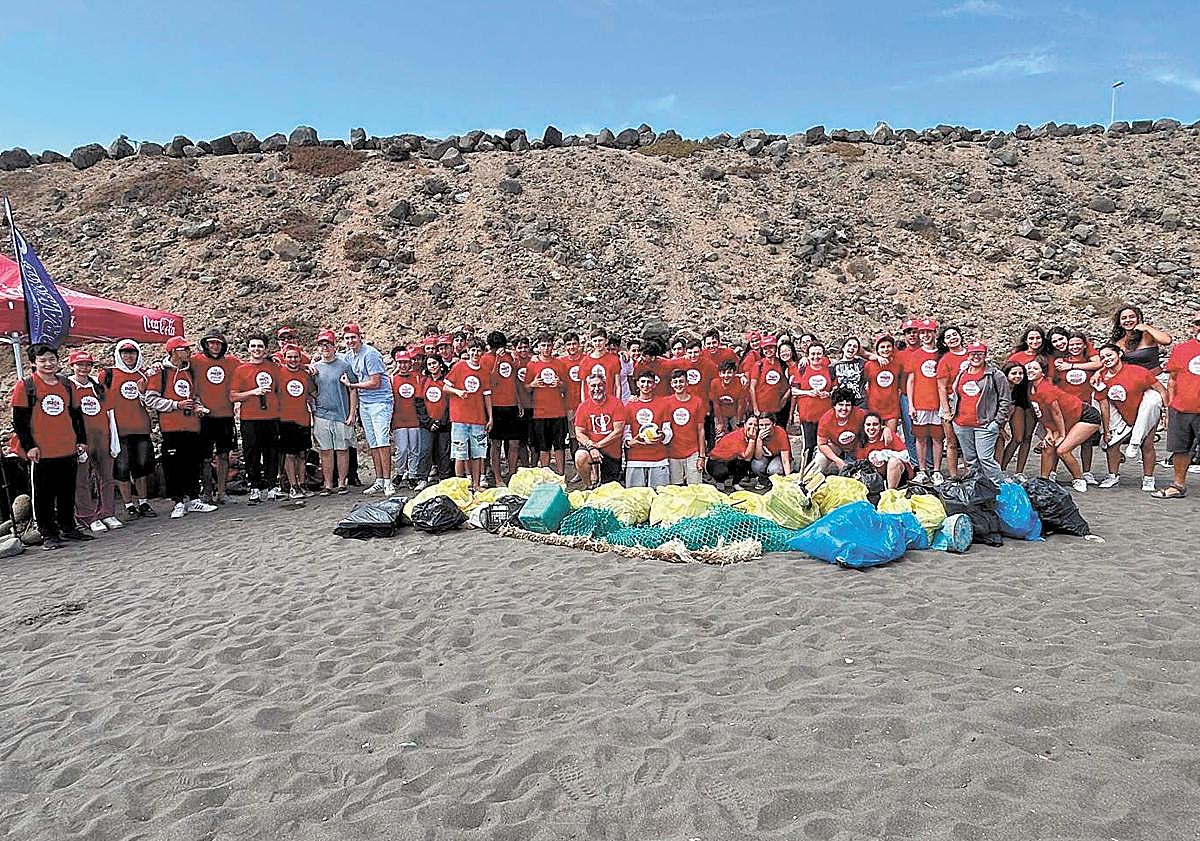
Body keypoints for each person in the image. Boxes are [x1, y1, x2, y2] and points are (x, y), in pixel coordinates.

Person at [11, 344, 92, 548]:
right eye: (43, 360)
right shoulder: (26, 386)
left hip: (67, 446)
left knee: (67, 490)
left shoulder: (66, 384)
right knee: (43, 493)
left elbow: (76, 414)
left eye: (52, 359)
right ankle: (47, 533)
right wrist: (29, 446)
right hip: (42, 450)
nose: (48, 364)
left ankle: (68, 527)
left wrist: (81, 440)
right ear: (33, 364)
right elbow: (19, 420)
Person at [144, 337, 219, 519]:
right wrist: (175, 405)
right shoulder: (160, 373)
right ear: (174, 352)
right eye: (184, 349)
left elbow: (194, 396)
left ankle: (193, 499)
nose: (188, 352)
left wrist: (198, 407)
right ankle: (178, 502)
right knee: (174, 466)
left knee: (193, 463)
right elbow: (151, 399)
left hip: (192, 426)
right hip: (171, 427)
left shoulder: (190, 371)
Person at [1094, 343, 1170, 491]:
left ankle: (1148, 479)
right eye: (1102, 357)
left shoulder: (1138, 372)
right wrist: (1106, 429)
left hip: (1145, 412)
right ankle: (1112, 476)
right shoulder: (1101, 378)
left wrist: (1166, 414)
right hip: (1122, 414)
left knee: (1147, 444)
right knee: (1112, 445)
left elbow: (1162, 391)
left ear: (1119, 354)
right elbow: (1103, 404)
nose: (1106, 359)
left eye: (1109, 355)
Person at [1024, 358, 1102, 493]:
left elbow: (1056, 413)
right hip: (1066, 419)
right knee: (1048, 445)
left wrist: (1061, 434)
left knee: (1062, 449)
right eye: (1029, 368)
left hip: (1085, 416)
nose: (1031, 371)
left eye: (1035, 368)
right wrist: (1049, 432)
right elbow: (1042, 414)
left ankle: (1079, 479)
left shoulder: (1045, 389)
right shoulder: (1031, 388)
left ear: (1042, 372)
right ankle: (1044, 480)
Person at [66, 350, 123, 533]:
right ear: (72, 366)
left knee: (107, 476)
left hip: (102, 437)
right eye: (80, 364)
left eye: (88, 365)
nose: (84, 368)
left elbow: (110, 413)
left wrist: (114, 439)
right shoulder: (67, 387)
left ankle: (107, 512)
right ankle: (87, 516)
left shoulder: (98, 387)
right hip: (82, 440)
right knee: (81, 479)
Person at [1110, 305, 1173, 462]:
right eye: (1124, 318)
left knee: (1150, 404)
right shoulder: (1118, 343)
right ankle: (1118, 435)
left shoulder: (1147, 335)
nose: (1128, 320)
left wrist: (1146, 327)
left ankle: (1134, 442)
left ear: (1138, 318)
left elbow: (1167, 340)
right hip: (1134, 385)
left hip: (1156, 381)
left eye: (1132, 316)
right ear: (1119, 322)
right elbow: (1111, 361)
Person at [341, 323, 394, 496]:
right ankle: (379, 479)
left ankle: (388, 481)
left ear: (359, 337)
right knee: (373, 442)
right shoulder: (349, 356)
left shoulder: (370, 354)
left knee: (382, 441)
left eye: (353, 337)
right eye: (347, 338)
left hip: (380, 401)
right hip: (365, 402)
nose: (350, 341)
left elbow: (375, 382)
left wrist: (353, 385)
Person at [105, 339, 156, 519]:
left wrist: (143, 392)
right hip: (119, 430)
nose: (128, 356)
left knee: (142, 466)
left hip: (141, 427)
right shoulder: (108, 374)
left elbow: (150, 400)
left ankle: (143, 502)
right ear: (119, 354)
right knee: (122, 467)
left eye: (132, 352)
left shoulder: (143, 375)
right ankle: (128, 505)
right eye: (125, 353)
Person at [947, 342, 1012, 483]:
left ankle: (998, 486)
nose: (976, 357)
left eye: (979, 353)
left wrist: (997, 422)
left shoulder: (995, 375)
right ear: (968, 356)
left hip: (985, 424)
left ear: (985, 355)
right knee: (970, 460)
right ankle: (976, 488)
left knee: (985, 458)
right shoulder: (962, 373)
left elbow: (1005, 400)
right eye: (972, 354)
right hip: (962, 424)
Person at [230, 333, 281, 504]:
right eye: (253, 346)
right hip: (250, 418)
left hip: (271, 416)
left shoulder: (274, 368)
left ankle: (273, 486)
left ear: (266, 349)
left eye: (260, 346)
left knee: (271, 452)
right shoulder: (241, 370)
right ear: (248, 349)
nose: (256, 349)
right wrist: (253, 392)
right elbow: (233, 396)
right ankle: (255, 488)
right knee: (251, 453)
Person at [190, 329, 240, 504]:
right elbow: (176, 363)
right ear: (205, 344)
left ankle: (222, 492)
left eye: (218, 343)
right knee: (204, 457)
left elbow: (250, 370)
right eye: (211, 343)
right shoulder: (196, 360)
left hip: (225, 416)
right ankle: (207, 493)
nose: (215, 346)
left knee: (224, 455)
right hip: (204, 416)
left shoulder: (232, 362)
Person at [1155, 311, 1200, 499]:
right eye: (1198, 323)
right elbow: (1172, 379)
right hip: (1182, 408)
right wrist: (1170, 406)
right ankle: (1178, 485)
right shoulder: (1182, 349)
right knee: (1180, 448)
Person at [443, 338, 494, 492]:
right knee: (460, 453)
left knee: (478, 454)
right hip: (459, 418)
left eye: (478, 350)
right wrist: (458, 392)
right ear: (468, 351)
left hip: (478, 418)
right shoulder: (459, 366)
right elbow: (445, 387)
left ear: (482, 353)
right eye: (473, 350)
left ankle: (476, 484)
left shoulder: (484, 372)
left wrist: (490, 417)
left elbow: (487, 395)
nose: (475, 353)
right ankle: (461, 486)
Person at [311, 329, 358, 495]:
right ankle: (328, 484)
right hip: (322, 415)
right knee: (325, 450)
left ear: (334, 346)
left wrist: (352, 413)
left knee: (342, 449)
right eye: (322, 345)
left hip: (341, 414)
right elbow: (311, 389)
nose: (325, 348)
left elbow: (352, 390)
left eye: (328, 344)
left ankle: (342, 482)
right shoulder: (315, 368)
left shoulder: (344, 366)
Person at [1053, 332, 1102, 485]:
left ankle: (1087, 472)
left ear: (1084, 345)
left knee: (1087, 442)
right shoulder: (1060, 361)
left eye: (1078, 344)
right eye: (1071, 344)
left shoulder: (1089, 361)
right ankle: (1053, 471)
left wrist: (1073, 366)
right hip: (1065, 407)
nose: (1075, 347)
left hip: (1085, 405)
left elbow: (1100, 364)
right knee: (1059, 438)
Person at [905, 319, 945, 483]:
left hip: (938, 403)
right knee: (920, 438)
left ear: (935, 333)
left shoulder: (942, 354)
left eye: (929, 332)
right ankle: (922, 470)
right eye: (922, 332)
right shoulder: (915, 355)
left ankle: (936, 470)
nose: (926, 335)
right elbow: (911, 380)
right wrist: (911, 404)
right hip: (920, 403)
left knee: (937, 438)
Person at [483, 331, 524, 486]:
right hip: (496, 406)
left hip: (511, 404)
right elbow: (490, 382)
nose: (499, 350)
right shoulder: (486, 359)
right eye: (496, 348)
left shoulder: (509, 356)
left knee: (514, 443)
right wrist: (497, 360)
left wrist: (518, 402)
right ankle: (498, 478)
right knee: (496, 444)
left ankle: (512, 474)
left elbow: (513, 380)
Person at [277, 345, 316, 501]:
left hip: (303, 418)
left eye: (296, 357)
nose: (293, 360)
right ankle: (293, 485)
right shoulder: (278, 373)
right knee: (290, 454)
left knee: (302, 453)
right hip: (286, 419)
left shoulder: (305, 375)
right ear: (284, 358)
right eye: (289, 357)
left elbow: (314, 393)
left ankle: (302, 483)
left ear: (300, 358)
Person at [526, 332, 569, 474]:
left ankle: (561, 475)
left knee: (559, 446)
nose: (546, 348)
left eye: (549, 345)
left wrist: (560, 383)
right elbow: (526, 387)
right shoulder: (532, 365)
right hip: (540, 412)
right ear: (538, 347)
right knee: (543, 447)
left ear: (553, 347)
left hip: (558, 411)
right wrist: (533, 384)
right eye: (543, 345)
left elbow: (566, 387)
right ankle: (545, 475)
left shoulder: (560, 364)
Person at [573, 374, 626, 488]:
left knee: (609, 488)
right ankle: (589, 486)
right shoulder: (583, 407)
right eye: (593, 386)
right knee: (580, 456)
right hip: (591, 447)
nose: (596, 389)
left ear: (605, 386)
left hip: (611, 450)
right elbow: (579, 432)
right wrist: (591, 446)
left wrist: (597, 446)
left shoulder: (616, 403)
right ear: (588, 387)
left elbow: (618, 431)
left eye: (600, 385)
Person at [623, 369, 673, 488]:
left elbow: (667, 429)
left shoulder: (663, 404)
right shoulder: (629, 406)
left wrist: (662, 436)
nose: (646, 385)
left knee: (660, 497)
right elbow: (626, 431)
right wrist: (629, 442)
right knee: (635, 497)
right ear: (638, 384)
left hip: (658, 459)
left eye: (649, 382)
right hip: (635, 458)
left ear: (654, 384)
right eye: (643, 382)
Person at [791, 341, 835, 468]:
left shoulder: (829, 370)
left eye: (819, 354)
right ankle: (805, 471)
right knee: (809, 445)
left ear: (823, 355)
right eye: (813, 354)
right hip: (808, 415)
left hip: (825, 415)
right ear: (808, 355)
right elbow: (793, 390)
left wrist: (829, 393)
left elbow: (835, 388)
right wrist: (808, 392)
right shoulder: (802, 369)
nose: (816, 357)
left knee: (822, 444)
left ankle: (818, 470)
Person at [935, 325, 969, 480]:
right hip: (951, 400)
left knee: (968, 441)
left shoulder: (971, 355)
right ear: (944, 342)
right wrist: (946, 410)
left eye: (955, 334)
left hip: (969, 400)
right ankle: (953, 475)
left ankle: (970, 473)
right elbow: (941, 387)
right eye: (948, 337)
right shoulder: (945, 360)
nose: (953, 338)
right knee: (951, 441)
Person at [391, 351, 428, 489]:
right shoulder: (393, 379)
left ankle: (412, 475)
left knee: (414, 449)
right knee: (402, 450)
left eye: (406, 362)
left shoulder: (417, 378)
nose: (403, 365)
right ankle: (400, 472)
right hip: (399, 420)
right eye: (400, 362)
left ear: (410, 363)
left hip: (414, 419)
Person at [664, 367, 706, 485]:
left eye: (681, 381)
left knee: (695, 488)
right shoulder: (666, 402)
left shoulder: (697, 402)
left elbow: (701, 429)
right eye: (675, 382)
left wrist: (701, 456)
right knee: (675, 490)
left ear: (687, 383)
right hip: (672, 453)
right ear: (671, 384)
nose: (679, 385)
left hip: (692, 452)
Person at [813, 387, 867, 474]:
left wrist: (885, 429)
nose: (844, 408)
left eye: (848, 405)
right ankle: (808, 481)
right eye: (840, 404)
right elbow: (822, 444)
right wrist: (837, 460)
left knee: (854, 473)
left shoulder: (860, 414)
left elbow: (875, 424)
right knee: (820, 459)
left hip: (855, 448)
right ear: (834, 405)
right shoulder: (825, 420)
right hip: (836, 446)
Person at [857, 412, 912, 490]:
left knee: (893, 461)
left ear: (880, 426)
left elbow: (905, 456)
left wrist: (885, 454)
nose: (871, 428)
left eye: (875, 424)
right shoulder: (862, 442)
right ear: (864, 426)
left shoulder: (888, 435)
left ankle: (890, 493)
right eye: (868, 425)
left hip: (900, 475)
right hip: (878, 479)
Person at [420, 355, 453, 483]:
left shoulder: (447, 380)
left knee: (444, 452)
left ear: (440, 364)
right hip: (428, 423)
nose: (432, 366)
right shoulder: (424, 381)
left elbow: (450, 402)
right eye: (429, 364)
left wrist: (442, 421)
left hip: (444, 423)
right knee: (427, 450)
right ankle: (423, 478)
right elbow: (419, 403)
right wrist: (428, 422)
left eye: (434, 363)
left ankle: (445, 479)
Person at [705, 414, 760, 491]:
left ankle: (736, 483)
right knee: (722, 472)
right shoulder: (739, 436)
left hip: (730, 460)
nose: (753, 427)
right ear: (744, 425)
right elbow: (746, 455)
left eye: (755, 425)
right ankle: (719, 481)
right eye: (750, 424)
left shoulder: (753, 435)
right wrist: (752, 439)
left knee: (745, 463)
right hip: (715, 461)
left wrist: (753, 440)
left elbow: (748, 458)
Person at [864, 334, 903, 435]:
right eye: (882, 347)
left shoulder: (898, 364)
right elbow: (863, 381)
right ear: (877, 349)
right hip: (874, 407)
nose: (885, 349)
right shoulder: (869, 365)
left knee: (891, 436)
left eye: (888, 346)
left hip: (892, 407)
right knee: (875, 438)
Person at [749, 336, 789, 426]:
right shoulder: (759, 365)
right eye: (765, 348)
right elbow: (752, 387)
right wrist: (755, 409)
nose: (768, 350)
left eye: (771, 347)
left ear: (775, 348)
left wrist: (785, 398)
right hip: (761, 408)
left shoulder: (782, 364)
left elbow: (792, 382)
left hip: (776, 408)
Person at [747, 413, 792, 487]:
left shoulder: (780, 432)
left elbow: (785, 460)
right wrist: (759, 440)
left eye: (767, 424)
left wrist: (789, 479)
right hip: (765, 455)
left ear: (773, 424)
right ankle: (764, 480)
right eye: (761, 425)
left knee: (774, 469)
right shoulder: (756, 431)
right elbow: (758, 457)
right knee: (756, 465)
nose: (764, 428)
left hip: (778, 456)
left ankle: (778, 480)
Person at [709, 359, 747, 435]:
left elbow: (741, 405)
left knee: (738, 434)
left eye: (729, 372)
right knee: (720, 434)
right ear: (719, 373)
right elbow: (716, 404)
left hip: (735, 413)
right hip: (720, 413)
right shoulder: (715, 383)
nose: (726, 376)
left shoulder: (740, 383)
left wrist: (739, 421)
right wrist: (720, 423)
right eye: (723, 373)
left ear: (734, 373)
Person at [830, 337, 867, 408]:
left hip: (860, 401)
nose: (852, 348)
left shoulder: (862, 362)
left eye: (855, 346)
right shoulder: (833, 366)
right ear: (843, 348)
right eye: (849, 345)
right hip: (843, 402)